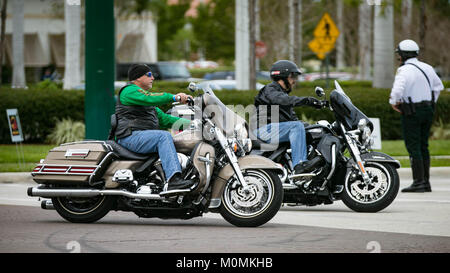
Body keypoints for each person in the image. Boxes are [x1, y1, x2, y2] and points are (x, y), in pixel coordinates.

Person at [113, 64, 194, 193]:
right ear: (137, 77)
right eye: (149, 75)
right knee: (163, 136)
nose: (153, 78)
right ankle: (174, 180)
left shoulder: (148, 105)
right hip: (129, 136)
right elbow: (149, 98)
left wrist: (194, 124)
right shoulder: (129, 91)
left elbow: (166, 120)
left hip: (141, 137)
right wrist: (175, 97)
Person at [389, 39, 444, 193]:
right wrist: (431, 102)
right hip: (428, 109)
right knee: (423, 145)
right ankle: (425, 182)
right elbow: (438, 86)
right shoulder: (427, 67)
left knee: (413, 146)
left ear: (404, 55)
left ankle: (418, 182)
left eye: (399, 54)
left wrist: (393, 102)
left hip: (411, 111)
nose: (398, 57)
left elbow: (398, 90)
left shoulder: (404, 70)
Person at [253, 60, 323, 175]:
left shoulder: (282, 94)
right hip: (264, 130)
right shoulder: (270, 89)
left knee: (306, 128)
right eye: (293, 76)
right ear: (283, 76)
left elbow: (291, 118)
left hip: (274, 129)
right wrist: (307, 100)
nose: (294, 81)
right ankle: (300, 165)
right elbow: (281, 100)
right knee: (296, 127)